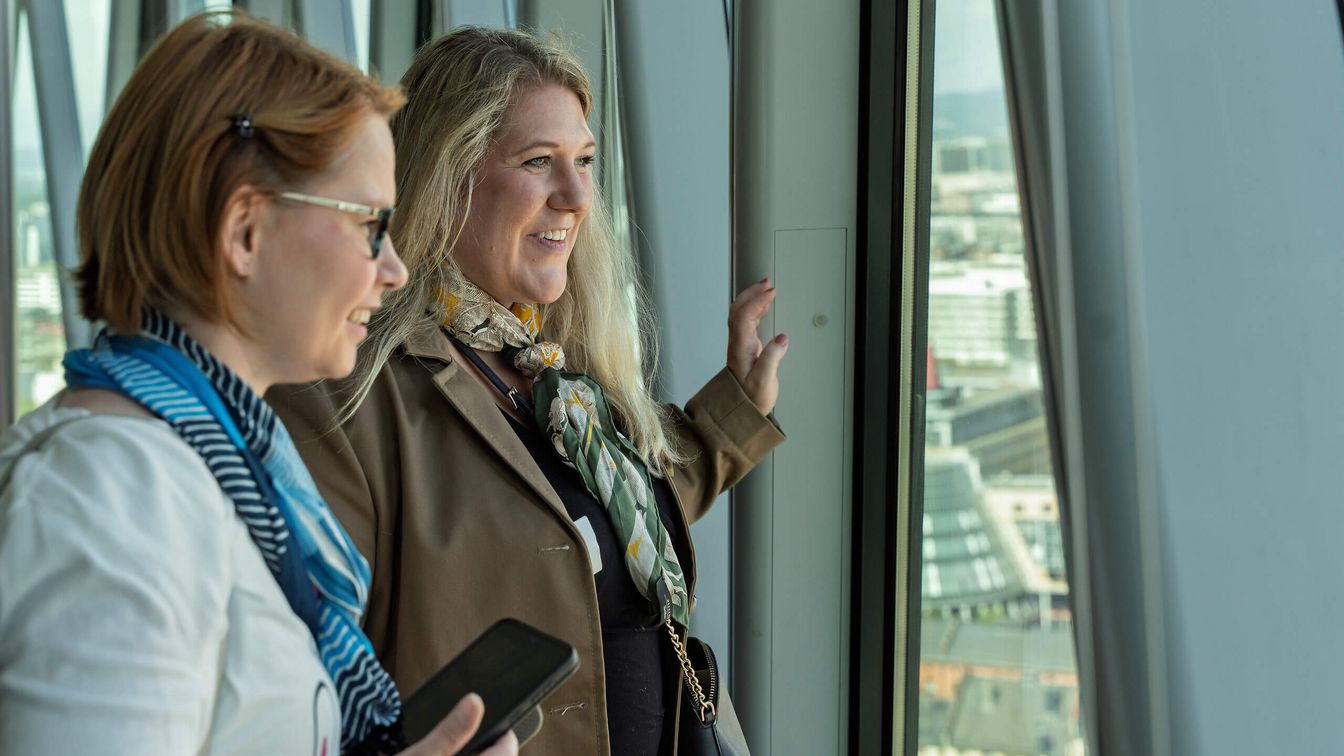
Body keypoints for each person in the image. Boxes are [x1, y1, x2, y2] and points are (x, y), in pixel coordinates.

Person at [0, 13, 515, 756]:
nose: (395, 269)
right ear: (245, 231)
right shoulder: (112, 494)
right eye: (371, 224)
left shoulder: (224, 470)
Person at [268, 26, 787, 755]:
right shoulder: (354, 395)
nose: (577, 196)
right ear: (445, 180)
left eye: (583, 161)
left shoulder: (549, 367)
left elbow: (603, 525)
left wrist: (735, 412)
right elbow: (299, 675)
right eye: (539, 162)